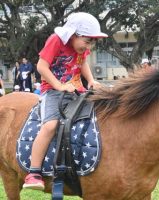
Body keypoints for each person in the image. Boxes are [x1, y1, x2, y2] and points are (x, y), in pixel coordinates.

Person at [22, 12, 108, 191]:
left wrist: (91, 80)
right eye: (87, 41)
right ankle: (34, 172)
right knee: (50, 125)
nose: (89, 46)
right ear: (74, 34)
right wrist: (60, 86)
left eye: (92, 42)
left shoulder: (81, 48)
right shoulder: (56, 40)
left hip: (77, 90)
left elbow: (82, 63)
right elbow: (41, 66)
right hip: (53, 91)